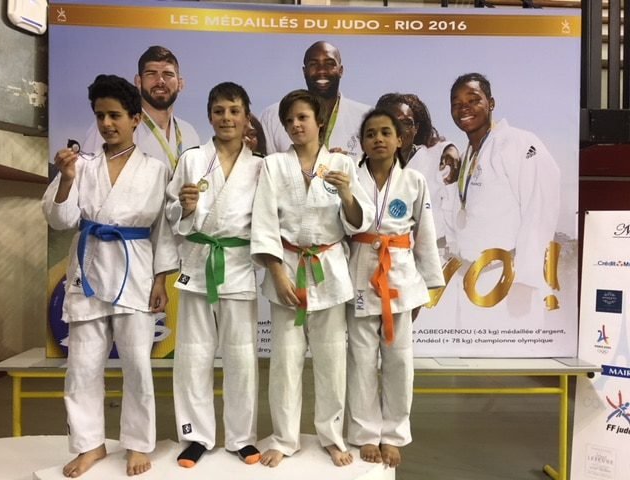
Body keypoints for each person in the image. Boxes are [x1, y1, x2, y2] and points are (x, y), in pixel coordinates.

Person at [42, 74, 178, 477]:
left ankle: (137, 444)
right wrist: (67, 179)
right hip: (89, 269)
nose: (106, 123)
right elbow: (60, 219)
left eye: (115, 115)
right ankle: (90, 444)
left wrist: (160, 280)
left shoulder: (155, 170)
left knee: (136, 364)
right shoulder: (82, 166)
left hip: (135, 271)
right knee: (82, 366)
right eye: (100, 115)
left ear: (135, 119)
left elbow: (163, 230)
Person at [251, 89, 374, 468]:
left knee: (332, 361)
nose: (295, 125)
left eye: (302, 117)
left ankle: (332, 437)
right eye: (289, 120)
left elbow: (359, 221)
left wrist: (347, 193)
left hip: (329, 270)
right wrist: (276, 273)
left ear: (319, 121)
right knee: (285, 362)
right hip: (287, 268)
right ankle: (284, 438)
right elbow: (264, 221)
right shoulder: (274, 165)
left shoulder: (341, 164)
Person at [166, 82, 263, 468]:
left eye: (234, 111)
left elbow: (268, 219)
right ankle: (195, 436)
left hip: (238, 267)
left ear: (246, 117)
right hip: (197, 264)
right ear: (209, 115)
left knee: (241, 358)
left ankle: (242, 438)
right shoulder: (192, 159)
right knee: (193, 355)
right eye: (219, 111)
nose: (227, 118)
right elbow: (170, 213)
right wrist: (185, 207)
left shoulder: (260, 166)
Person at [347, 108, 444, 469]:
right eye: (370, 134)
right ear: (362, 142)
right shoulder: (350, 177)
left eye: (386, 132)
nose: (378, 139)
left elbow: (426, 234)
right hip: (360, 273)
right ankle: (365, 432)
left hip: (400, 276)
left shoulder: (414, 180)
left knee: (399, 361)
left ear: (400, 140)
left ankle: (393, 434)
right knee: (360, 361)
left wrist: (427, 286)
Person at [449, 72, 560, 324]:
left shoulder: (520, 142)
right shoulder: (469, 153)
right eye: (456, 103)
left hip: (508, 281)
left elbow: (539, 208)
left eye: (473, 100)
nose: (464, 108)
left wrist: (525, 280)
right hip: (471, 280)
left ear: (491, 103)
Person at [83, 45, 200, 170]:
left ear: (180, 84)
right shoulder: (112, 128)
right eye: (151, 74)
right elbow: (88, 174)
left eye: (168, 74)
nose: (160, 81)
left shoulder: (189, 133)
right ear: (138, 82)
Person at [376, 93, 460, 257]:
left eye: (406, 123)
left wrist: (450, 148)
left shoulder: (436, 158)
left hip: (432, 257)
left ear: (416, 128)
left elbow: (453, 211)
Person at [260, 41, 370, 158]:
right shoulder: (272, 116)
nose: (321, 70)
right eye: (313, 64)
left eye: (329, 64)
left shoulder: (365, 116)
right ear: (304, 71)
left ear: (340, 70)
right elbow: (264, 165)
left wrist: (345, 165)